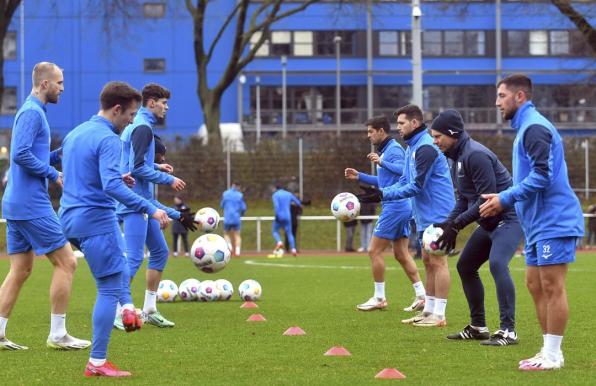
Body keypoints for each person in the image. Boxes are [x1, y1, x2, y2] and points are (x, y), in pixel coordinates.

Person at [60, 81, 170, 376]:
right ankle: (97, 362)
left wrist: (117, 176)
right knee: (108, 287)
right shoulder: (109, 139)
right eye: (131, 114)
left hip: (68, 219)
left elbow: (67, 164)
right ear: (117, 109)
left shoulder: (76, 133)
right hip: (95, 219)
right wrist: (152, 208)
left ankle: (129, 307)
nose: (132, 121)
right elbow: (109, 186)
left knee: (120, 267)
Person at [480, 74, 584, 370]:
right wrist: (504, 196)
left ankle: (553, 355)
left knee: (552, 285)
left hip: (555, 219)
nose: (497, 102)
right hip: (538, 223)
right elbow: (530, 178)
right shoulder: (526, 127)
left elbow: (542, 176)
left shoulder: (535, 127)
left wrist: (505, 199)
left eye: (501, 96)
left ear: (520, 96)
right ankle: (547, 350)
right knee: (535, 285)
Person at [0, 62, 90, 351]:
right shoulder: (31, 112)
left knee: (21, 269)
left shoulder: (33, 111)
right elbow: (20, 155)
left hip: (16, 203)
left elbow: (33, 154)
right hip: (30, 204)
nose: (63, 88)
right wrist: (55, 174)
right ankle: (58, 334)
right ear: (43, 84)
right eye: (59, 82)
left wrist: (60, 155)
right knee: (67, 262)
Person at [428, 109, 524, 346]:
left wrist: (457, 225)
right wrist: (449, 223)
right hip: (489, 222)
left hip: (508, 219)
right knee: (466, 266)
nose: (434, 141)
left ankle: (508, 331)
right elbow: (463, 198)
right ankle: (478, 327)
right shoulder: (455, 158)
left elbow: (485, 201)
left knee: (497, 263)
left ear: (453, 133)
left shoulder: (475, 155)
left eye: (438, 136)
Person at [358, 105, 454, 327]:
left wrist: (383, 193)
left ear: (414, 123)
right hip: (424, 213)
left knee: (438, 261)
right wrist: (381, 192)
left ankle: (439, 315)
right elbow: (404, 182)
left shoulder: (425, 148)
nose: (398, 128)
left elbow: (416, 186)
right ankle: (429, 311)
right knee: (429, 261)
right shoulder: (412, 148)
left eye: (401, 123)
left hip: (438, 213)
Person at [116, 83, 196, 329]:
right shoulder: (142, 128)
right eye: (164, 103)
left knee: (160, 252)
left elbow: (136, 163)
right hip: (134, 204)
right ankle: (118, 311)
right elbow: (137, 168)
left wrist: (157, 166)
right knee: (133, 260)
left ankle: (149, 309)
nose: (167, 107)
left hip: (143, 203)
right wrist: (169, 179)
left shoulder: (141, 126)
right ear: (151, 102)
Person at [346, 115, 426, 312]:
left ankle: (379, 297)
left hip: (395, 206)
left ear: (381, 131)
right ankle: (422, 295)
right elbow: (384, 182)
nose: (368, 136)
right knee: (401, 253)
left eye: (371, 132)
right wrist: (360, 177)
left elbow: (404, 173)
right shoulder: (387, 151)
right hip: (399, 205)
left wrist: (382, 162)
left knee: (374, 251)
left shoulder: (394, 149)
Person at [270, 184, 301, 257]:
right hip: (288, 216)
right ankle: (293, 249)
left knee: (274, 231)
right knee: (289, 233)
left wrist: (277, 216)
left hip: (279, 216)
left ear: (276, 188)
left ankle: (279, 242)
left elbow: (276, 206)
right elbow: (298, 203)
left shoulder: (275, 195)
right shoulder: (289, 194)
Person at [220, 182, 246, 257]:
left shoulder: (225, 194)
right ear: (237, 187)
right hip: (236, 218)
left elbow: (221, 205)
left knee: (226, 234)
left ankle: (230, 247)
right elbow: (243, 208)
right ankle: (237, 252)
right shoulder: (240, 195)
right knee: (237, 235)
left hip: (227, 218)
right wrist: (242, 214)